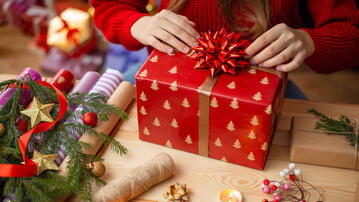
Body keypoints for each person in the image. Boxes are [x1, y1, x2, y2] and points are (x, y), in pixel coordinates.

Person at [91, 0, 359, 98]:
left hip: (263, 88)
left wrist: (310, 41)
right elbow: (108, 7)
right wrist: (136, 23)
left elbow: (351, 33)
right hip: (166, 79)